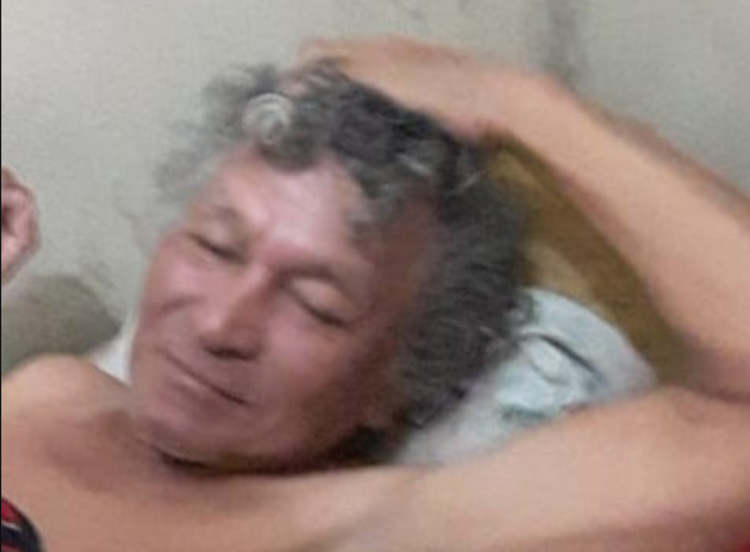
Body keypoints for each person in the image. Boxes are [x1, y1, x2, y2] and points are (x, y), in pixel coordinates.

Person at [2, 37, 749, 551]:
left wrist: (519, 102)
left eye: (315, 306)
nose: (221, 323)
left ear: (398, 383)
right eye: (215, 245)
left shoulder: (389, 528)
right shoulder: (55, 392)